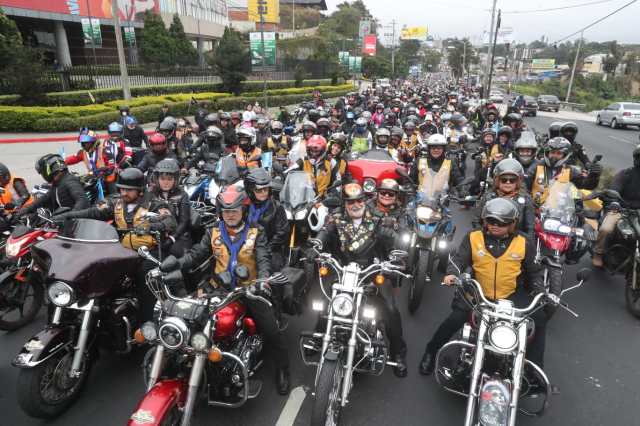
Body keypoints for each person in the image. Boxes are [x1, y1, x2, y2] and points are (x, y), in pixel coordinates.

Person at [160, 185, 291, 395]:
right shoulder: (213, 231)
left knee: (271, 329)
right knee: (188, 316)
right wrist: (175, 264)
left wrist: (263, 280)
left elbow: (263, 258)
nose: (230, 215)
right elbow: (196, 254)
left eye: (234, 211)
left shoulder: (256, 231)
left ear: (243, 211)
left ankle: (283, 369)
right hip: (218, 287)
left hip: (249, 289)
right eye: (226, 211)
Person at [419, 198, 546, 375]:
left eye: (501, 222)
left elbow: (534, 271)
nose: (495, 225)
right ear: (484, 221)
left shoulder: (524, 242)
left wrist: (540, 291)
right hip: (478, 293)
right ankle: (431, 353)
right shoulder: (473, 237)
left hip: (510, 295)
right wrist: (452, 274)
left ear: (512, 224)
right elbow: (458, 260)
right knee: (455, 319)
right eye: (491, 221)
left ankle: (534, 370)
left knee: (538, 319)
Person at [52, 168, 176, 321]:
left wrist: (156, 225)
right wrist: (66, 216)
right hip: (122, 251)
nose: (124, 193)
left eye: (129, 190)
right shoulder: (116, 203)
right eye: (122, 189)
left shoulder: (155, 204)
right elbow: (92, 213)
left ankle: (146, 322)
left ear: (140, 191)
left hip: (147, 252)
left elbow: (170, 221)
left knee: (145, 276)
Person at [316, 182, 408, 377]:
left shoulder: (377, 221)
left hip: (372, 274)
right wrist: (316, 244)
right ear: (344, 203)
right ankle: (318, 340)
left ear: (364, 201)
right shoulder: (336, 219)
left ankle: (398, 352)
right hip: (343, 272)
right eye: (350, 202)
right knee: (325, 303)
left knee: (390, 309)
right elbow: (324, 234)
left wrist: (397, 256)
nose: (355, 205)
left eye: (359, 200)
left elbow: (394, 239)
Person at [592, 144, 640, 267]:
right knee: (606, 229)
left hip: (638, 212)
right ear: (636, 158)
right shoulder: (626, 174)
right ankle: (598, 253)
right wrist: (615, 201)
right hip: (621, 209)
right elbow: (615, 187)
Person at [526, 137, 600, 205]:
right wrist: (528, 200)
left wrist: (594, 176)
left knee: (580, 217)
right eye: (552, 152)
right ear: (547, 153)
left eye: (558, 153)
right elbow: (524, 184)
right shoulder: (536, 166)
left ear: (565, 155)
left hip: (560, 212)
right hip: (536, 209)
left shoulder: (571, 170)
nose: (554, 156)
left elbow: (587, 185)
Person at [475, 158, 535, 240]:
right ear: (497, 181)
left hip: (516, 242)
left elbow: (530, 228)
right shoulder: (488, 197)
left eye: (512, 180)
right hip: (489, 240)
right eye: (504, 180)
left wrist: (527, 245)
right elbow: (477, 221)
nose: (508, 182)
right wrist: (480, 240)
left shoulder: (525, 199)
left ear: (518, 182)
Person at [244, 168, 289, 273]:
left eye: (266, 189)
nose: (263, 192)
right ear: (250, 190)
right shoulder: (244, 206)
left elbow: (282, 232)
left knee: (274, 271)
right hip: (247, 247)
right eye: (259, 190)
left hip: (271, 248)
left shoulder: (276, 207)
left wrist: (266, 250)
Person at [151, 159, 192, 257]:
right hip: (157, 233)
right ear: (157, 179)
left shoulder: (182, 195)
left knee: (175, 253)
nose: (166, 182)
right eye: (162, 179)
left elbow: (184, 221)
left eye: (169, 179)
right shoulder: (151, 194)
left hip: (179, 235)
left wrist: (172, 238)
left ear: (175, 180)